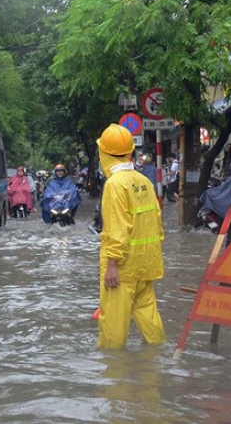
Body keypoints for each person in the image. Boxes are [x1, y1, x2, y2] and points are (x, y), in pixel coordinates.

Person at [96, 124, 165, 349]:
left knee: (113, 332)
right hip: (146, 264)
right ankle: (155, 366)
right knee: (150, 320)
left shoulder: (114, 185)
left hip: (123, 270)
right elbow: (156, 221)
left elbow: (118, 227)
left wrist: (113, 263)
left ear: (105, 154)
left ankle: (115, 376)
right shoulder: (143, 181)